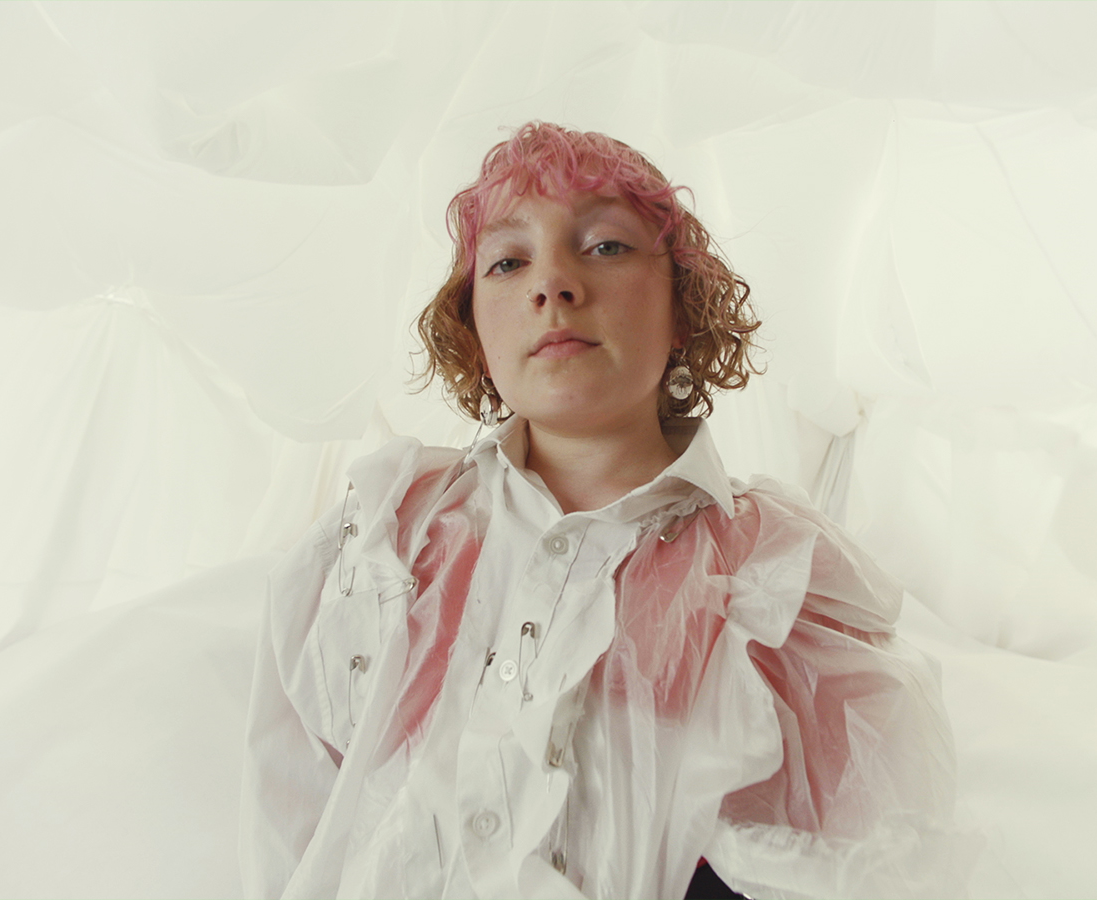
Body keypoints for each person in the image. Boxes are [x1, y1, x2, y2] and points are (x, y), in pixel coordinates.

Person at [241, 122, 966, 899]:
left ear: (683, 306)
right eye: (508, 261)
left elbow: (866, 848)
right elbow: (293, 812)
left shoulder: (777, 573)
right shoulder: (388, 536)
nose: (552, 284)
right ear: (475, 329)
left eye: (606, 246)